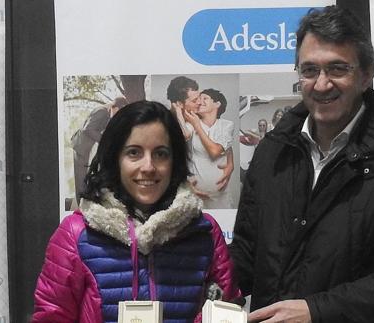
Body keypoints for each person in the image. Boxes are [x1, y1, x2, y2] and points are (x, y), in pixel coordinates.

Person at [229, 5, 374, 323]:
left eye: (337, 69)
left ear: (366, 75)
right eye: (309, 70)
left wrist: (317, 312)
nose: (321, 84)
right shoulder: (271, 152)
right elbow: (247, 255)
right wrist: (188, 278)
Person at [33, 101, 241, 323]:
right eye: (134, 153)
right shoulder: (75, 234)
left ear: (175, 161)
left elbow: (227, 311)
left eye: (161, 154)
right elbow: (51, 317)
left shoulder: (205, 233)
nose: (148, 166)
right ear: (116, 159)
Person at [166, 76, 234, 206]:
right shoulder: (166, 123)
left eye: (201, 97)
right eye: (195, 100)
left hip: (217, 197)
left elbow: (223, 143)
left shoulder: (196, 116)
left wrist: (230, 163)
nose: (199, 102)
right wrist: (183, 184)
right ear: (180, 104)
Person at [183, 88, 235, 209]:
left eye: (204, 98)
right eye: (198, 99)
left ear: (217, 104)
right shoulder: (191, 124)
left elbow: (215, 151)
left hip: (222, 197)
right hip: (196, 197)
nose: (200, 102)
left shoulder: (226, 125)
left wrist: (230, 161)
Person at [71, 96, 128, 202]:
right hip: (81, 146)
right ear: (113, 106)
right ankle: (80, 207)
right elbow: (87, 129)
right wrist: (105, 140)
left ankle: (88, 201)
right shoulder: (101, 111)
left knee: (89, 178)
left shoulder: (109, 113)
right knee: (81, 179)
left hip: (90, 147)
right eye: (118, 113)